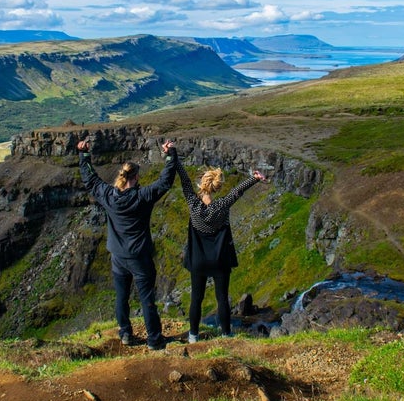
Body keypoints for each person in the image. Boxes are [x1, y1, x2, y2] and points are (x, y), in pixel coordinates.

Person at [77, 136, 178, 350]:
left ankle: (125, 334)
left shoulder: (108, 196)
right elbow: (165, 182)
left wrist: (84, 155)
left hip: (118, 257)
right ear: (137, 176)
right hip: (139, 257)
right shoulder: (142, 197)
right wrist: (170, 157)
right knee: (146, 298)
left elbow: (90, 180)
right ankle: (154, 339)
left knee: (121, 297)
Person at [177, 157, 266, 342]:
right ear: (216, 186)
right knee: (222, 298)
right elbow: (237, 191)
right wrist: (255, 178)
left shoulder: (194, 205)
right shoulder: (222, 206)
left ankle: (193, 335)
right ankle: (226, 334)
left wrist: (173, 157)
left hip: (198, 260)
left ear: (202, 185)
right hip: (220, 259)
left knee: (196, 298)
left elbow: (184, 181)